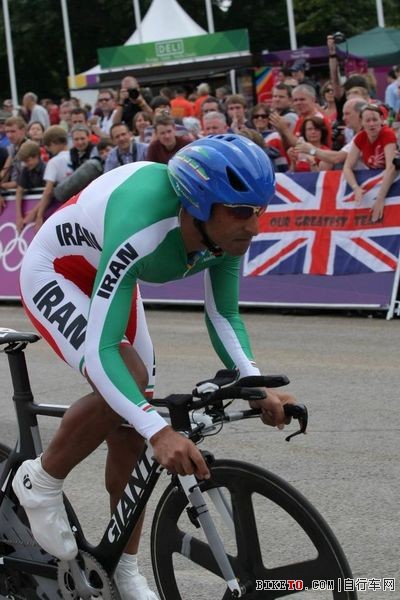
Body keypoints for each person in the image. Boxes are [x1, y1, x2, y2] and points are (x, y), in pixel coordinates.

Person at [12, 134, 295, 600]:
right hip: (58, 272)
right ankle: (40, 480)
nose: (255, 226)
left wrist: (252, 381)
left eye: (260, 210)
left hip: (110, 274)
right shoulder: (144, 227)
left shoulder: (225, 235)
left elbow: (224, 315)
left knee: (129, 424)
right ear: (200, 205)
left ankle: (122, 567)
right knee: (129, 381)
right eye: (242, 211)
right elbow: (102, 352)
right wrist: (159, 432)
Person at [343, 104, 397, 222]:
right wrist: (356, 188)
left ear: (382, 120)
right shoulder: (361, 137)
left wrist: (380, 199)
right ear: (361, 122)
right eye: (367, 121)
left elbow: (391, 168)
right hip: (378, 181)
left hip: (393, 180)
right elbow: (347, 167)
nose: (372, 124)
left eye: (375, 120)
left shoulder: (387, 134)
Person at [24, 125, 73, 230]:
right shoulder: (75, 156)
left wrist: (39, 215)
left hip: (61, 204)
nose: (49, 150)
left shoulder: (53, 162)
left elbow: (48, 191)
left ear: (53, 142)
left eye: (49, 146)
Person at [14, 140, 46, 232]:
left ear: (36, 156)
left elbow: (48, 194)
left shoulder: (46, 169)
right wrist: (19, 216)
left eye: (28, 161)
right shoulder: (26, 169)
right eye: (24, 162)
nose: (26, 164)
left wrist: (34, 212)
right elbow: (19, 191)